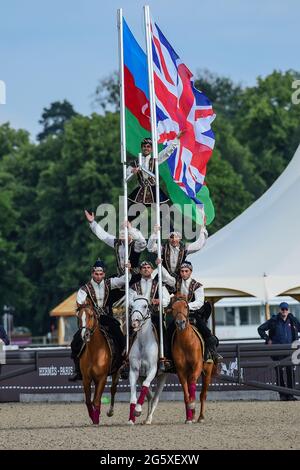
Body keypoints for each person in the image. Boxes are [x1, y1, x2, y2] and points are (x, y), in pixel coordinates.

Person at [69, 259, 129, 381]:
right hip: (91, 320)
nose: (98, 276)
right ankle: (78, 369)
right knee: (75, 342)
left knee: (119, 335)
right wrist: (86, 310)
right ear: (92, 274)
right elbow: (79, 306)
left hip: (106, 318)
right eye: (96, 274)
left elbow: (125, 280)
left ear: (104, 274)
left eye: (101, 274)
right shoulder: (84, 289)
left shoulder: (109, 283)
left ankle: (122, 364)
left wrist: (128, 269)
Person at [162, 261, 223, 363]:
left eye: (186, 271)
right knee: (168, 332)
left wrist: (185, 306)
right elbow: (166, 277)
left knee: (206, 331)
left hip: (193, 313)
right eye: (182, 271)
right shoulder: (176, 283)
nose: (184, 273)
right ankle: (169, 358)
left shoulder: (197, 286)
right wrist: (160, 264)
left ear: (190, 272)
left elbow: (199, 302)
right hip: (179, 315)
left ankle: (211, 354)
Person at [128, 260, 171, 370]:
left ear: (152, 270)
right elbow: (129, 301)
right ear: (140, 271)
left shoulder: (159, 284)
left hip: (154, 315)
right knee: (129, 332)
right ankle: (126, 359)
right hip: (138, 316)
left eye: (148, 267)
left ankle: (164, 358)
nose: (146, 269)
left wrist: (159, 301)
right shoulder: (134, 286)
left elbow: (167, 299)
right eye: (143, 268)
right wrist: (138, 305)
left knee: (163, 333)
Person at [127, 134, 182, 213]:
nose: (146, 148)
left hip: (154, 189)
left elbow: (166, 153)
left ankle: (161, 225)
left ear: (152, 149)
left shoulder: (155, 160)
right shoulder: (135, 163)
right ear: (142, 148)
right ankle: (128, 224)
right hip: (141, 190)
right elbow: (126, 175)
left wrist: (176, 139)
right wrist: (132, 172)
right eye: (144, 146)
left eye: (148, 146)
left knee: (163, 213)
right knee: (131, 211)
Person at [258, 301, 300, 401]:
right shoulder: (274, 320)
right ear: (279, 310)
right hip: (277, 350)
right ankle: (282, 395)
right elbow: (260, 329)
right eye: (282, 309)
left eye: (286, 309)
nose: (284, 311)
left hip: (290, 350)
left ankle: (290, 394)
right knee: (279, 372)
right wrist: (267, 339)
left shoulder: (293, 320)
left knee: (290, 373)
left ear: (288, 310)